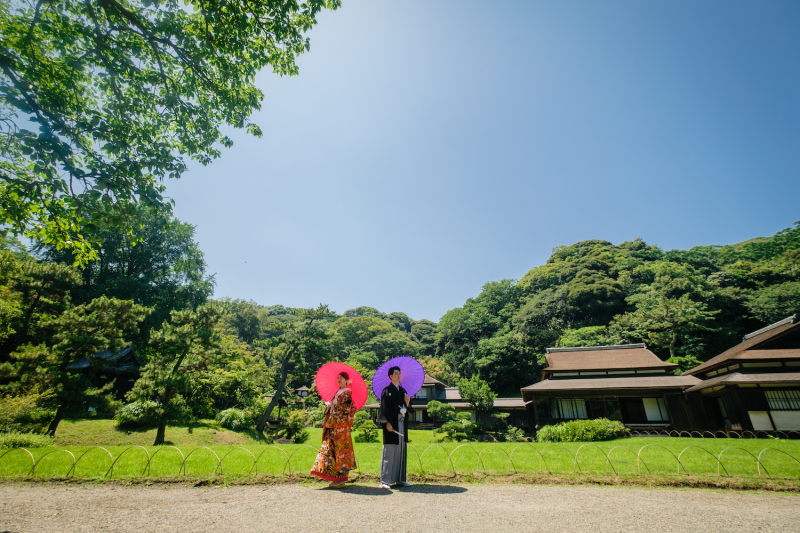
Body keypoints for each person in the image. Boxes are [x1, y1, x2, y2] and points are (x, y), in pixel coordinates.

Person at [310, 371, 357, 488]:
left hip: (340, 427)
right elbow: (336, 405)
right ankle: (334, 477)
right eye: (338, 378)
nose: (339, 380)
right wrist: (330, 405)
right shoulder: (338, 392)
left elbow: (345, 408)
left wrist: (333, 406)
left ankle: (341, 478)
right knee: (331, 450)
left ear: (346, 380)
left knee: (340, 451)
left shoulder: (348, 392)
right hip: (333, 424)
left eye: (341, 378)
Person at [376, 365, 413, 489]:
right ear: (391, 376)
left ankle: (400, 479)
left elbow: (408, 409)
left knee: (401, 450)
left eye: (399, 373)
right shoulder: (386, 390)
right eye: (396, 373)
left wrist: (407, 403)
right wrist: (387, 423)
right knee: (389, 450)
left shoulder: (402, 391)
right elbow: (384, 409)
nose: (398, 375)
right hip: (391, 424)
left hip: (401, 423)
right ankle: (385, 481)